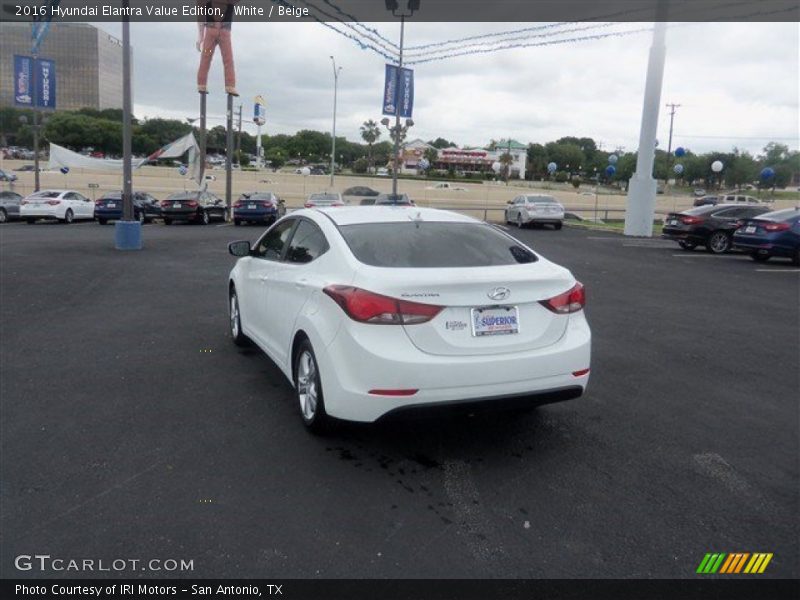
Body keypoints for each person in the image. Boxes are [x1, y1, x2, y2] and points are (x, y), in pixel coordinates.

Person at [196, 0, 241, 96]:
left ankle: (203, 84)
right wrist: (200, 36)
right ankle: (228, 86)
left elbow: (201, 16)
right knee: (223, 59)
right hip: (217, 32)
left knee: (209, 57)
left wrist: (200, 36)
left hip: (217, 32)